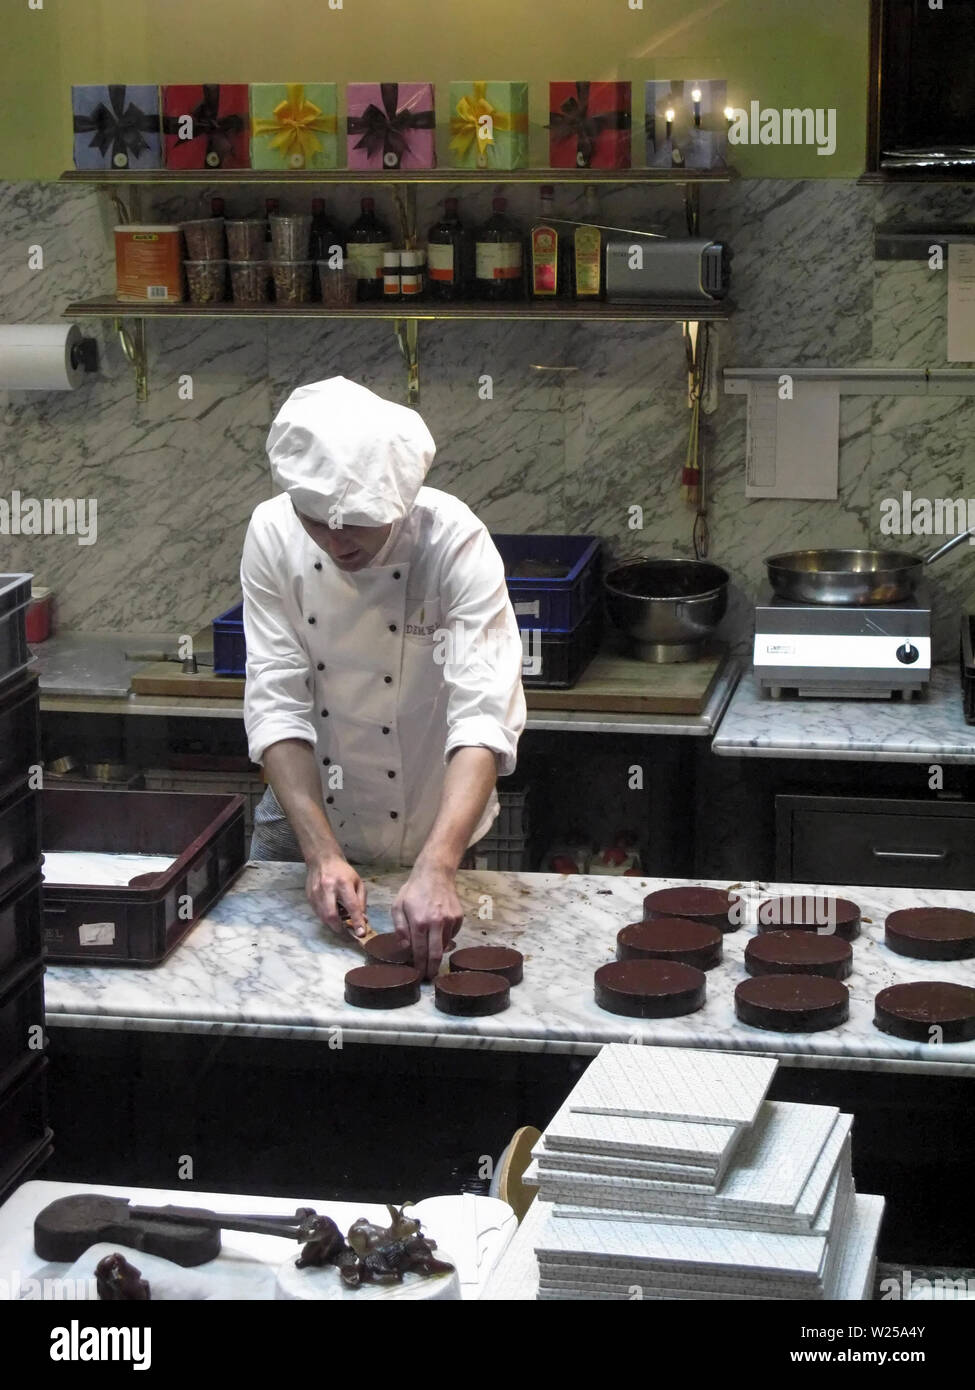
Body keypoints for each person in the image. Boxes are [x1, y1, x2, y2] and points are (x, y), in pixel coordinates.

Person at [241, 376, 526, 977]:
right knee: (274, 986)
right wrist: (319, 853)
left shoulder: (454, 543)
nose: (336, 540)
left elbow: (483, 713)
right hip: (306, 814)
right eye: (316, 520)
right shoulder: (272, 534)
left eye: (358, 522)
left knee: (440, 980)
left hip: (434, 818)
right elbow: (277, 703)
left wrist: (440, 864)